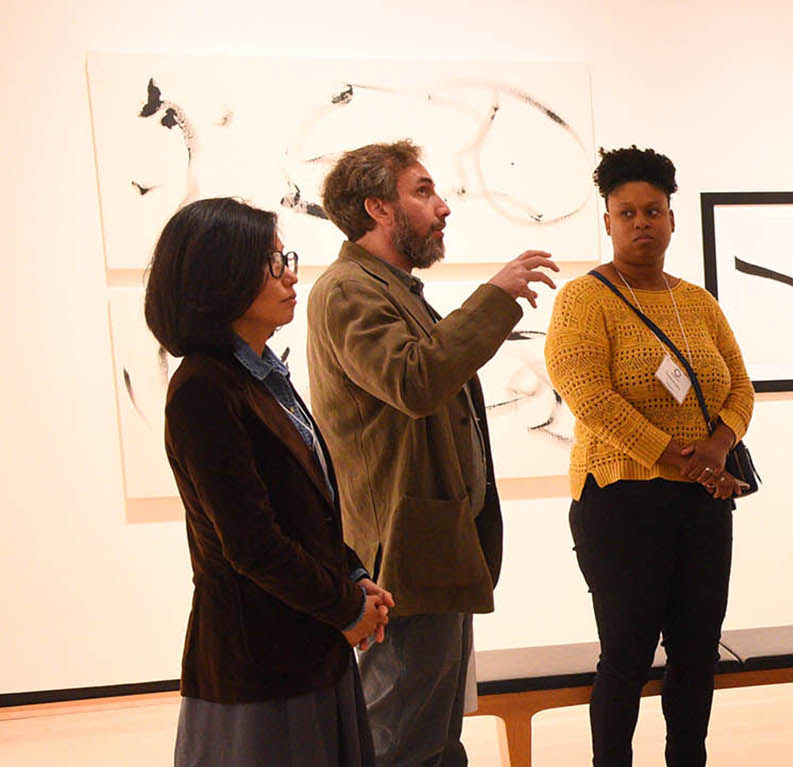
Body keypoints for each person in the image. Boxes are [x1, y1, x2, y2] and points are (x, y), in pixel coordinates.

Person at [306, 140, 557, 767]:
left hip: (432, 546)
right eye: (422, 191)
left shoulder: (392, 289)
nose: (442, 207)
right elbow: (415, 380)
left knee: (435, 738)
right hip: (401, 556)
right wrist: (495, 296)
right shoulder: (347, 291)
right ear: (378, 208)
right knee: (400, 738)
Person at [149, 197, 393, 767]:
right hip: (260, 658)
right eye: (273, 262)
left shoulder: (259, 375)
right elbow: (252, 543)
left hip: (306, 641)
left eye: (285, 258)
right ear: (221, 276)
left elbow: (305, 508)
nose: (290, 274)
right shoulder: (204, 389)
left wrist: (355, 574)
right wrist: (346, 608)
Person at [545, 146, 753, 767]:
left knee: (696, 651)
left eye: (654, 210)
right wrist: (674, 456)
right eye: (627, 212)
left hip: (704, 500)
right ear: (607, 221)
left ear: (671, 218)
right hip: (619, 501)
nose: (642, 223)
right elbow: (589, 397)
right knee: (627, 655)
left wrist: (718, 447)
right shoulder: (584, 300)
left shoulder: (697, 302)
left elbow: (738, 386)